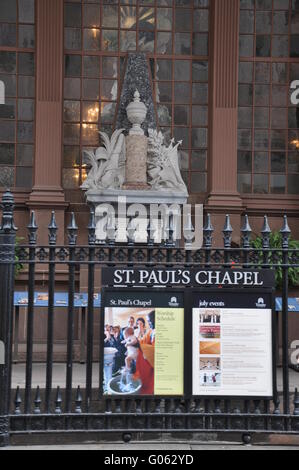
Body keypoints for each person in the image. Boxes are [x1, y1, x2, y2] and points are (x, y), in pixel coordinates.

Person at [134, 311, 155, 395]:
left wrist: (139, 345)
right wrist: (136, 341)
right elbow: (143, 341)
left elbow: (154, 351)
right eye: (148, 321)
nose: (150, 323)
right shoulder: (151, 331)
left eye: (151, 321)